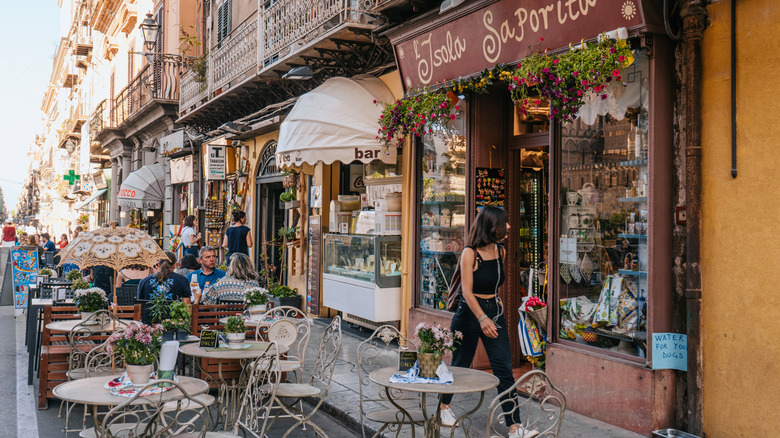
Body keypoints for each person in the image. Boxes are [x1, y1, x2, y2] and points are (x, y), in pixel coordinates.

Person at [438, 207, 534, 438]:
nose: (509, 227)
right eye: (504, 223)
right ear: (491, 226)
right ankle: (443, 408)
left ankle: (515, 427)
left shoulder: (500, 251)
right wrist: (482, 318)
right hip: (470, 314)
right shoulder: (469, 253)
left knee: (503, 369)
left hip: (495, 312)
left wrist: (490, 315)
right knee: (460, 364)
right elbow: (467, 293)